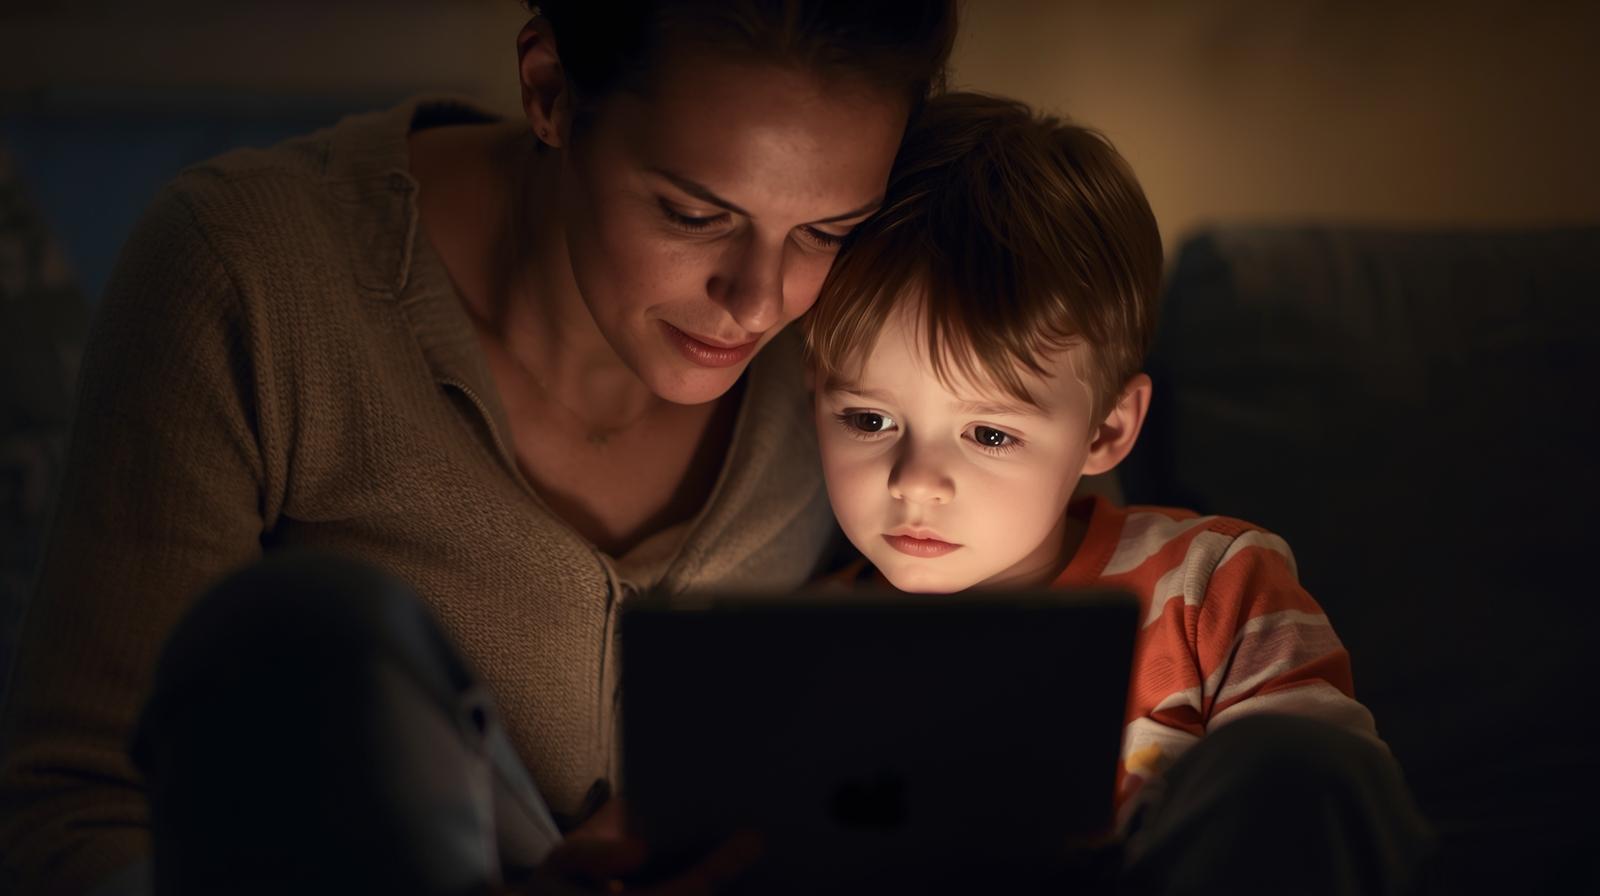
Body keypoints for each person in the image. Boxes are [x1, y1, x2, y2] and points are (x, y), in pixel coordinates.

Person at [0, 2, 958, 894]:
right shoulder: (248, 272)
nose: (759, 302)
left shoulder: (867, 342)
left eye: (828, 230)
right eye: (693, 214)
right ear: (549, 90)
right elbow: (77, 810)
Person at [803, 92, 1436, 894]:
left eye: (989, 434)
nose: (916, 483)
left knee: (1298, 765)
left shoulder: (1211, 586)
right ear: (813, 390)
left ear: (1105, 431)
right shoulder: (807, 644)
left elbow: (1318, 813)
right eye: (868, 417)